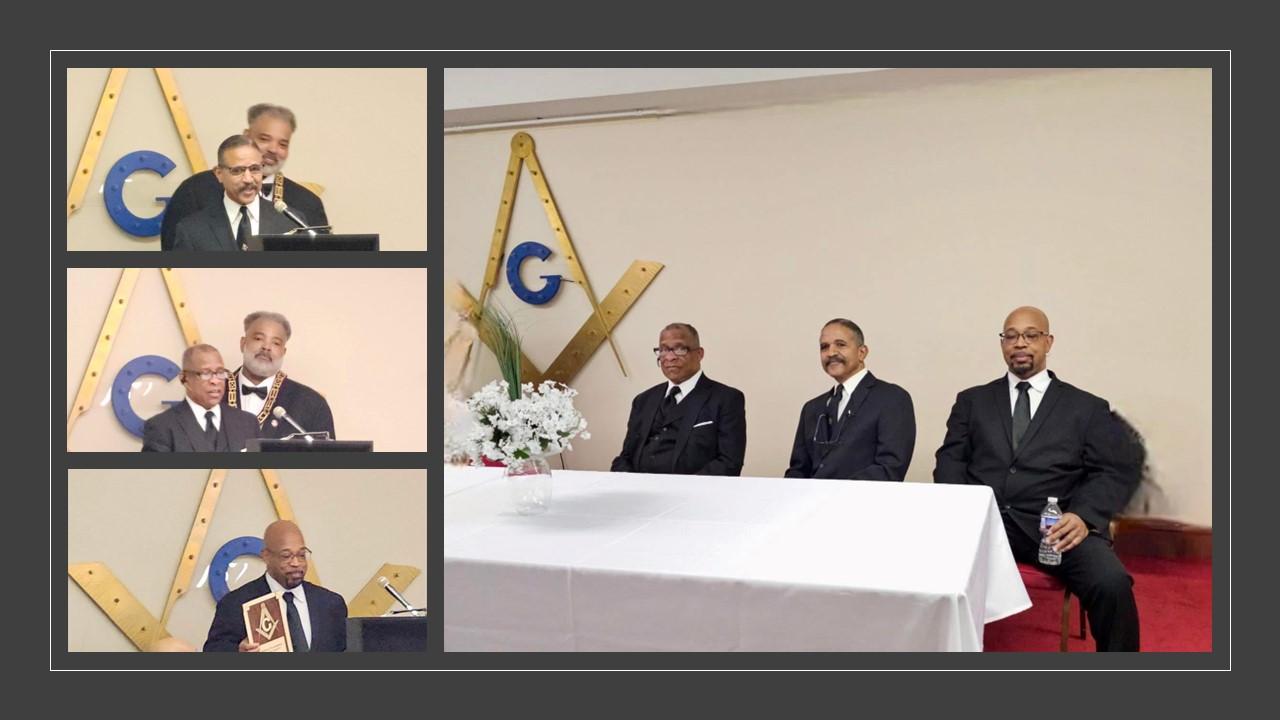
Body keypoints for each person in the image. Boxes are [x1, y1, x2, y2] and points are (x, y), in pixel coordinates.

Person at [934, 306, 1142, 651]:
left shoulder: (1087, 407)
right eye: (1011, 336)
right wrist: (963, 511)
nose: (1020, 343)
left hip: (1056, 527)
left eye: (1031, 335)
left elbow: (1110, 471)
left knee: (1112, 584)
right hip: (983, 526)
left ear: (1048, 342)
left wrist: (1083, 516)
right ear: (1002, 344)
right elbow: (950, 459)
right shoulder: (972, 401)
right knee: (923, 575)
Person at [161, 103, 328, 250]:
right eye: (264, 139)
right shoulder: (194, 194)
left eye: (282, 144)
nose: (273, 149)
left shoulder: (299, 214)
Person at [786, 318, 915, 480]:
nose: (831, 353)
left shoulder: (892, 398)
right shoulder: (812, 408)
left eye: (840, 344)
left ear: (862, 352)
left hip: (862, 502)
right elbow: (798, 470)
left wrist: (834, 495)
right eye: (824, 347)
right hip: (812, 503)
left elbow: (890, 467)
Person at [610, 323, 746, 476]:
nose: (670, 357)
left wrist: (679, 490)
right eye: (663, 350)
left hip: (693, 495)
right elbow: (626, 456)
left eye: (680, 349)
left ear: (699, 354)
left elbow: (729, 463)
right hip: (640, 493)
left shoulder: (726, 399)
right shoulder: (643, 400)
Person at [203, 520, 348, 652]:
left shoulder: (331, 604)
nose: (296, 563)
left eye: (302, 555)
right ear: (266, 556)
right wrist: (239, 651)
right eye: (286, 556)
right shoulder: (236, 604)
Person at [170, 135, 301, 251]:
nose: (248, 179)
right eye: (238, 171)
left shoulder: (291, 223)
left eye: (255, 169)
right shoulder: (192, 230)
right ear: (219, 174)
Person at [224, 311, 336, 439]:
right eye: (259, 338)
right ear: (243, 343)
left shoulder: (311, 403)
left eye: (276, 343)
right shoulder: (213, 394)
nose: (266, 347)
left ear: (283, 352)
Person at [141, 344, 259, 452]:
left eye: (220, 372)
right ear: (185, 378)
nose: (215, 381)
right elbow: (155, 475)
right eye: (205, 373)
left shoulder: (247, 423)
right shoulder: (161, 427)